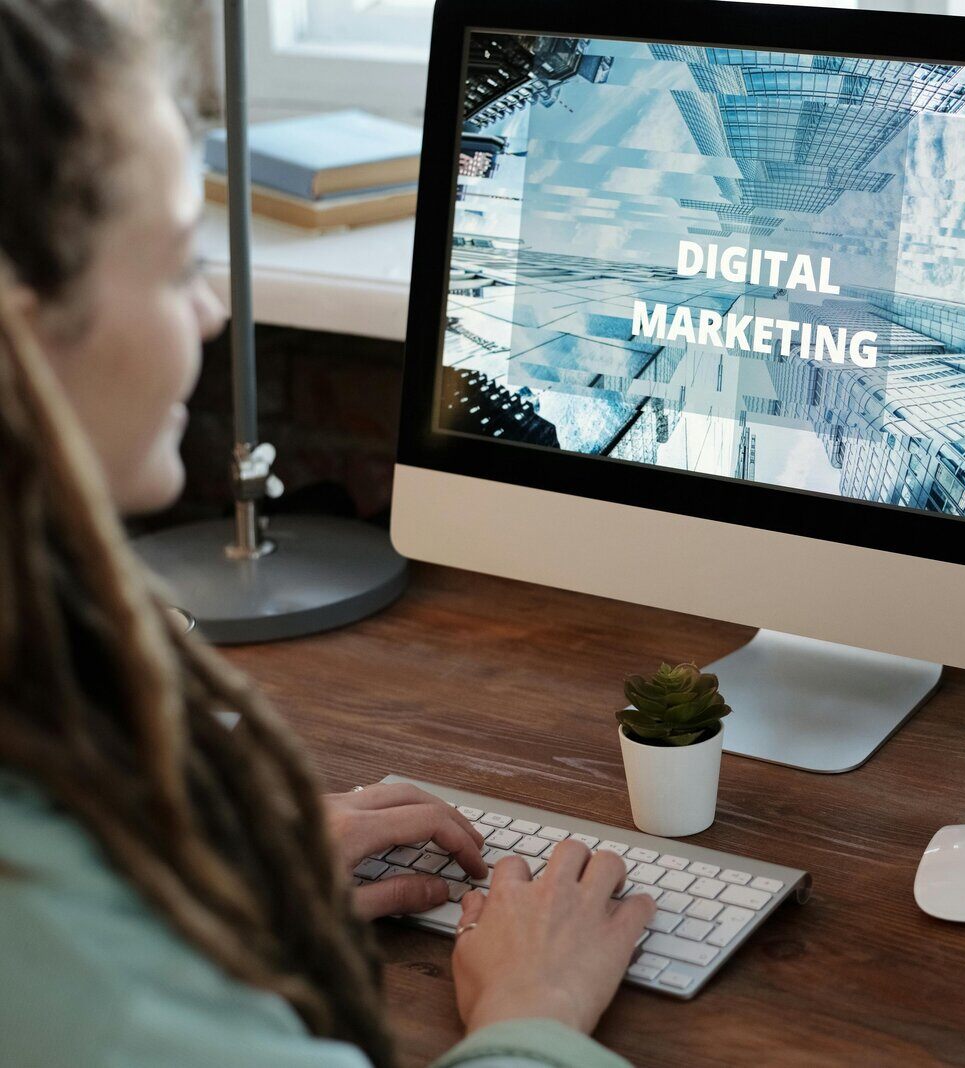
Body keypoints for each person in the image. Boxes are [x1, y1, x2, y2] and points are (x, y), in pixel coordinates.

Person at [0, 3, 655, 1065]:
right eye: (175, 264)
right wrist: (531, 1018)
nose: (212, 313)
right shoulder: (91, 990)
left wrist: (215, 862)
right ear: (22, 335)